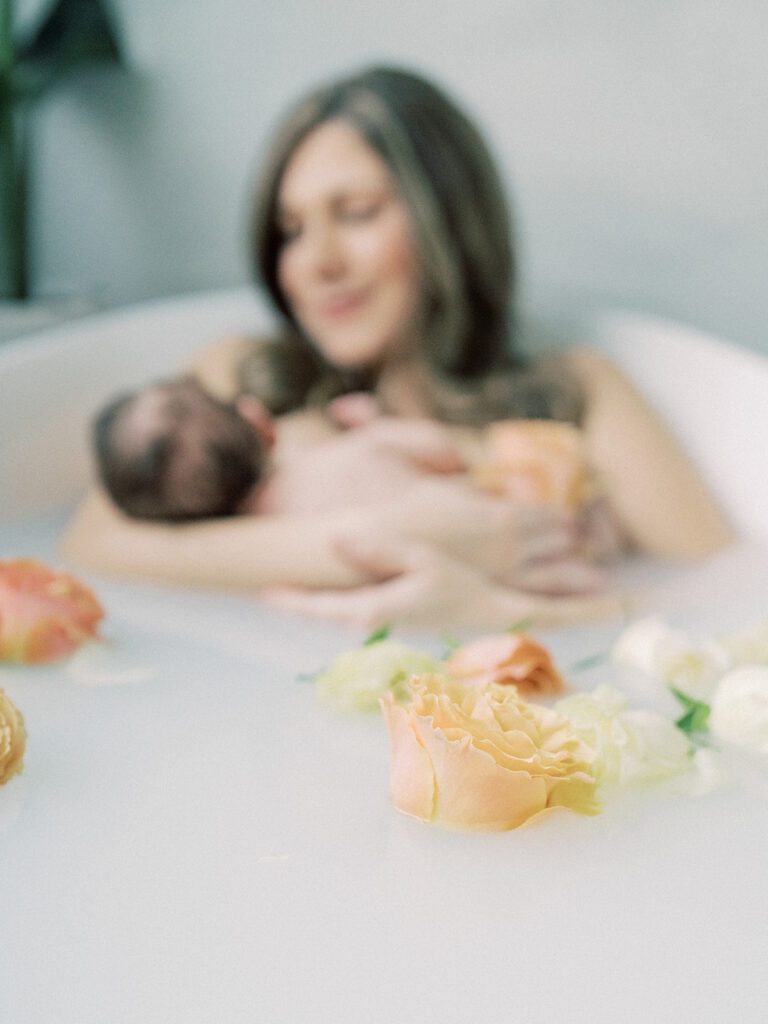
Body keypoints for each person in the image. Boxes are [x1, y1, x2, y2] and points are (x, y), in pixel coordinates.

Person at [61, 65, 733, 629]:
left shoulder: (578, 395)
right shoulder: (237, 382)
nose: (316, 262)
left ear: (450, 220)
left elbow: (726, 601)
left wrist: (491, 608)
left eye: (356, 213)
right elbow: (94, 544)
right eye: (291, 230)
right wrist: (382, 541)